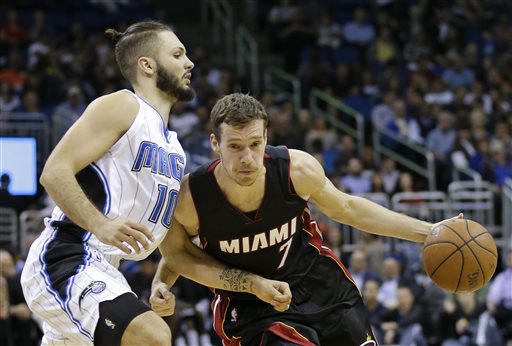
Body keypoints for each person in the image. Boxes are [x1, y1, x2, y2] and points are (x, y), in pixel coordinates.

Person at [20, 22, 290, 346]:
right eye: (177, 54)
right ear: (147, 65)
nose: (189, 63)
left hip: (107, 269)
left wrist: (162, 282)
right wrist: (101, 225)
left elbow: (172, 247)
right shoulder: (124, 106)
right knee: (153, 336)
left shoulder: (174, 148)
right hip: (68, 257)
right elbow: (54, 171)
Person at [151, 93, 461, 346]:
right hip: (252, 307)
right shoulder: (191, 197)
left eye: (255, 144)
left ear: (266, 138)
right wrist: (161, 283)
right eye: (234, 146)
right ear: (215, 144)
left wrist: (430, 231)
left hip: (320, 286)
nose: (247, 158)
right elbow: (178, 252)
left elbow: (349, 208)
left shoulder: (295, 170)